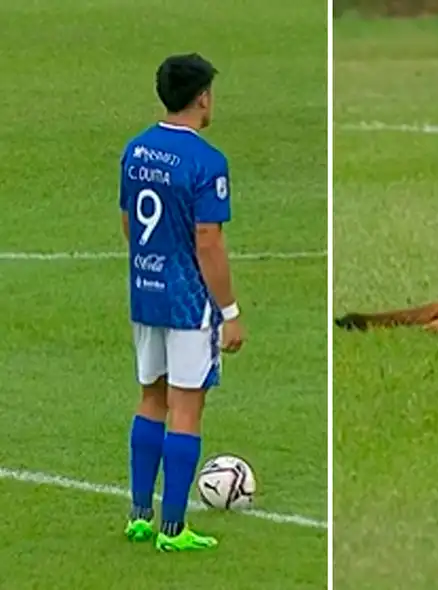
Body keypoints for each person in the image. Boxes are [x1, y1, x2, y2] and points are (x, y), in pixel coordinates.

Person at [119, 53, 245, 552]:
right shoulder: (206, 161)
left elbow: (129, 222)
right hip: (189, 303)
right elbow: (208, 239)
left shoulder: (135, 150)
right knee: (187, 408)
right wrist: (229, 312)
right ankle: (173, 529)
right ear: (203, 97)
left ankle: (139, 516)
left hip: (144, 292)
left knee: (151, 397)